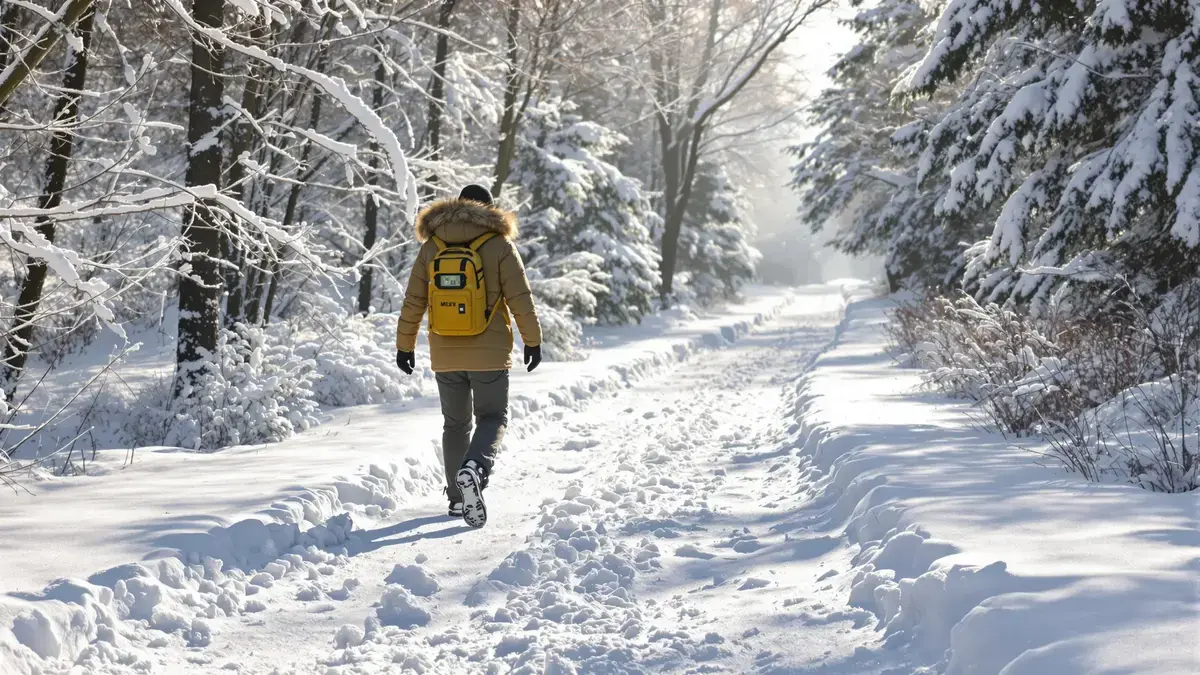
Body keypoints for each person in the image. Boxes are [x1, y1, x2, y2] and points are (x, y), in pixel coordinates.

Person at [395, 184, 542, 528]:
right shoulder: (499, 245)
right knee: (492, 418)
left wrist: (405, 346)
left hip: (445, 351)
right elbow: (520, 297)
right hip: (489, 353)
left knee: (455, 424)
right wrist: (532, 341)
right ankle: (474, 468)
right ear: (489, 209)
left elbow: (414, 300)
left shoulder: (432, 245)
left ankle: (458, 500)